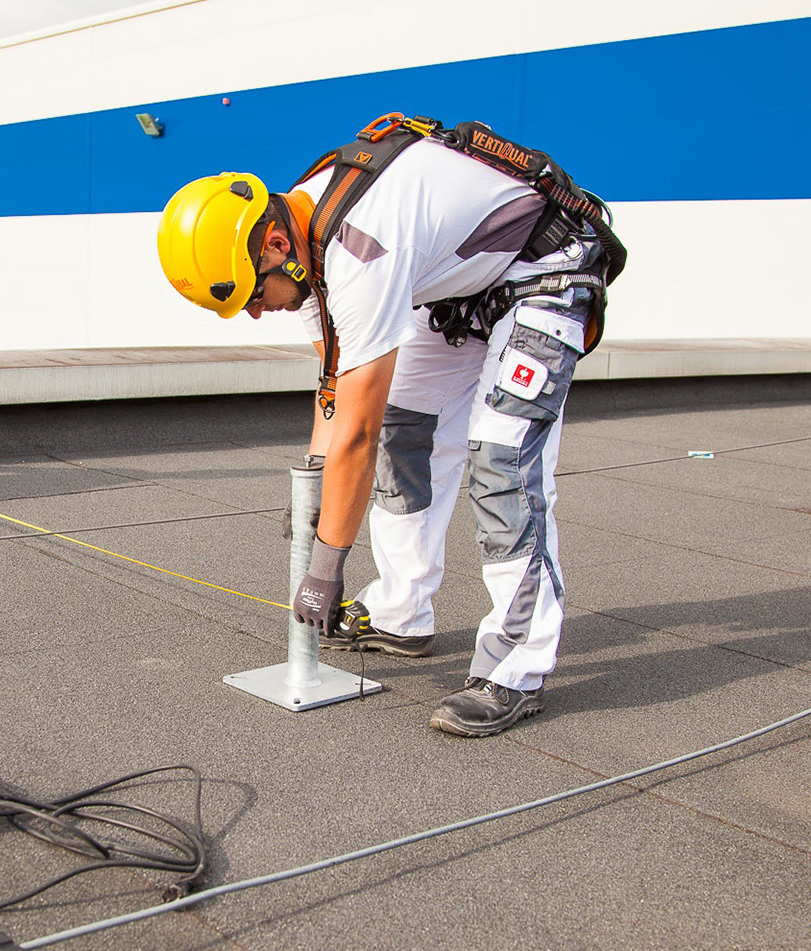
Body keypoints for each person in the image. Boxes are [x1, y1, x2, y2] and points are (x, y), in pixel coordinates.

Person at [157, 114, 621, 737]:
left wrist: (324, 566)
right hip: (460, 288)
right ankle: (401, 614)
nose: (257, 313)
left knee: (502, 459)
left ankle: (517, 667)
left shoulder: (357, 248)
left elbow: (357, 430)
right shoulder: (305, 243)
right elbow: (336, 386)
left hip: (546, 270)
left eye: (253, 297)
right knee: (410, 431)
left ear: (272, 247)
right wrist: (316, 489)